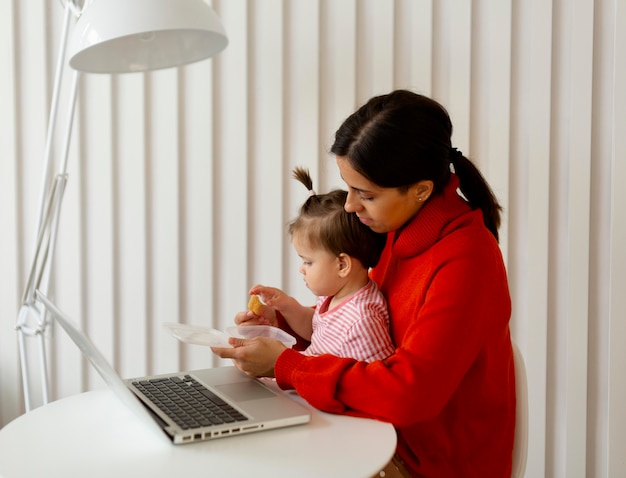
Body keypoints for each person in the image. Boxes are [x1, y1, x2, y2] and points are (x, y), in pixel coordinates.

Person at [213, 90, 514, 477]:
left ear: (421, 190)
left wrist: (286, 364)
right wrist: (284, 328)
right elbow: (366, 336)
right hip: (377, 434)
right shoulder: (395, 230)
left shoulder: (466, 260)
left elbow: (407, 394)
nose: (352, 206)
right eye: (349, 187)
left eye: (366, 194)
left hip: (428, 464)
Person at [248, 167, 395, 363]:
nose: (301, 269)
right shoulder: (334, 294)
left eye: (308, 261)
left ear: (342, 264)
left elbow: (376, 381)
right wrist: (286, 306)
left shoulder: (362, 321)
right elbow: (315, 330)